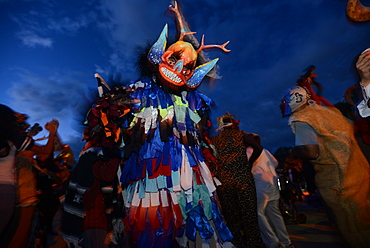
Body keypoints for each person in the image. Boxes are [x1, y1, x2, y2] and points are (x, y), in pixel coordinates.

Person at [280, 86, 370, 247]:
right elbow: (351, 127)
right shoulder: (328, 112)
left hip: (340, 183)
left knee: (355, 230)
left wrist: (294, 152)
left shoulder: (302, 118)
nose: (282, 104)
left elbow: (311, 151)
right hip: (360, 172)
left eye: (284, 101)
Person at [212, 113, 264, 248]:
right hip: (243, 179)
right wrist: (250, 163)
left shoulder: (214, 140)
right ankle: (254, 244)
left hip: (225, 182)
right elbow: (258, 148)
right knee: (250, 217)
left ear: (221, 127)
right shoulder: (241, 135)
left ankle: (237, 244)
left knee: (232, 218)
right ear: (232, 124)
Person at [247, 139, 293, 248]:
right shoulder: (265, 151)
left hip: (261, 183)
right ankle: (286, 241)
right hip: (272, 183)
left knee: (258, 212)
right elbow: (275, 163)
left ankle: (272, 242)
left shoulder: (248, 151)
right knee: (274, 213)